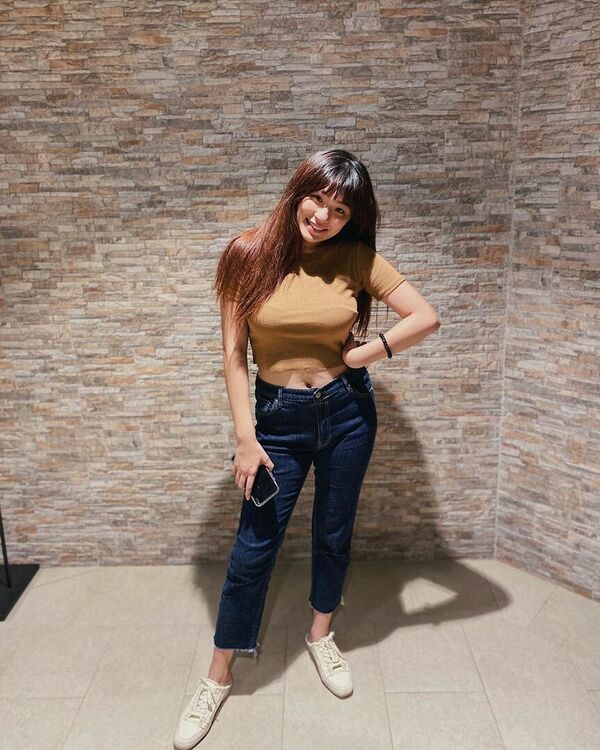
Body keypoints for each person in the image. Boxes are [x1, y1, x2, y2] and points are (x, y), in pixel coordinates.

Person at [173, 148, 441, 749]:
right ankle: (218, 675)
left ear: (352, 218)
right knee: (253, 549)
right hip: (277, 419)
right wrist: (247, 438)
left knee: (334, 529)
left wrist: (362, 355)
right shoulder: (246, 255)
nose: (324, 216)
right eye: (318, 199)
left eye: (340, 210)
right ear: (298, 192)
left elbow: (425, 316)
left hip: (347, 413)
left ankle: (321, 634)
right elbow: (233, 357)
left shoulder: (356, 257)